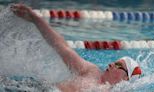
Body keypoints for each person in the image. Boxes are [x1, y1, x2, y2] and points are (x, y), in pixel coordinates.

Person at [10, 4, 142, 92]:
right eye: (115, 61)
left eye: (118, 65)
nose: (112, 63)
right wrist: (35, 18)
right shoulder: (91, 71)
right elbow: (63, 47)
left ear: (125, 78)